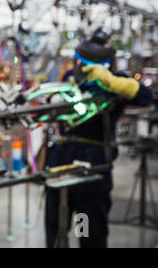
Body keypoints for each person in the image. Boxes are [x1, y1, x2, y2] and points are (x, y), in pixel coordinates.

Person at [44, 27, 152, 248]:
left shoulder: (115, 83)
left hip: (92, 169)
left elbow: (145, 97)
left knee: (87, 232)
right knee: (56, 230)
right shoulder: (70, 79)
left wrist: (111, 81)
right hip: (60, 164)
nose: (79, 68)